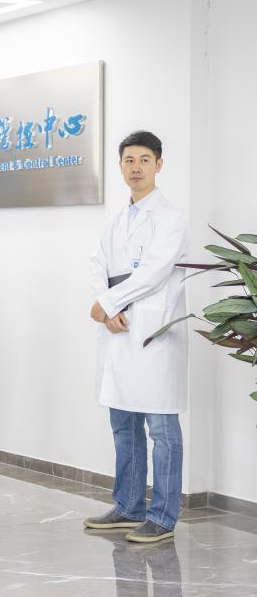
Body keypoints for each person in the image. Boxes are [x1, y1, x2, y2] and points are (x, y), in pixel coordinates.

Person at [84, 131, 187, 544]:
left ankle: (163, 515)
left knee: (161, 427)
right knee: (123, 423)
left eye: (145, 160)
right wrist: (106, 306)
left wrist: (109, 303)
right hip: (118, 330)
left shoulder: (170, 218)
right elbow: (97, 265)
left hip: (152, 333)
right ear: (120, 166)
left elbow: (154, 273)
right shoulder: (116, 220)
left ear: (159, 165)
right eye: (129, 160)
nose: (136, 167)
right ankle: (128, 506)